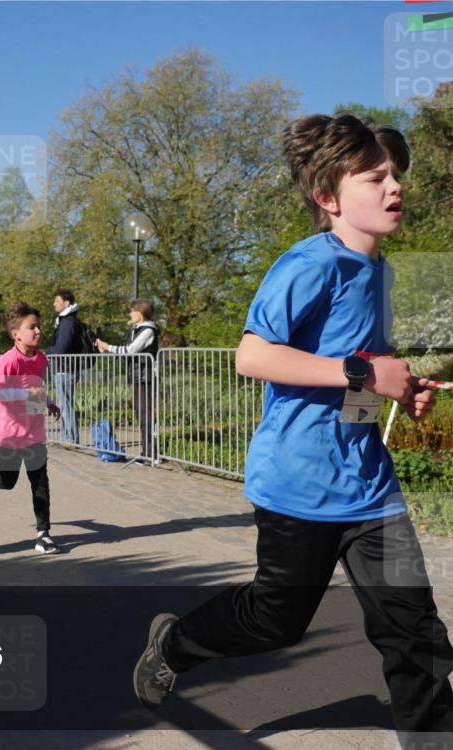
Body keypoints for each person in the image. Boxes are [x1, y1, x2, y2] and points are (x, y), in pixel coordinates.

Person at [133, 114, 451, 748]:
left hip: (368, 488)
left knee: (414, 632)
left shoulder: (381, 273)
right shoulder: (310, 265)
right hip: (299, 486)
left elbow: (349, 377)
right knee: (273, 624)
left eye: (397, 176)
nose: (395, 189)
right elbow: (252, 356)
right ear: (328, 197)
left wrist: (395, 388)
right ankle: (175, 641)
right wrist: (367, 369)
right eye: (376, 177)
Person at [0, 302, 62, 554]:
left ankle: (43, 534)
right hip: (8, 435)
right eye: (32, 327)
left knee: (40, 482)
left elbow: (37, 389)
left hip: (34, 433)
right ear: (16, 334)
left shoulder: (41, 358)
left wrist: (49, 403)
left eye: (39, 326)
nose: (38, 331)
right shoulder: (6, 362)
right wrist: (23, 392)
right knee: (8, 481)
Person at [95, 300, 160, 460]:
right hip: (138, 377)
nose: (129, 314)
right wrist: (108, 351)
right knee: (141, 413)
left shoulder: (148, 330)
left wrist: (108, 346)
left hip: (146, 377)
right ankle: (147, 453)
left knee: (146, 415)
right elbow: (126, 351)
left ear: (141, 312)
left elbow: (130, 350)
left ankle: (151, 453)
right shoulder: (137, 329)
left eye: (132, 311)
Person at [46, 289, 83, 444]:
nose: (54, 303)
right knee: (64, 404)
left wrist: (45, 352)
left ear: (66, 303)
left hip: (66, 368)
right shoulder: (65, 321)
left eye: (57, 300)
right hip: (65, 368)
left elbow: (62, 347)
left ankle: (71, 440)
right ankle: (68, 438)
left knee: (65, 405)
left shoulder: (68, 323)